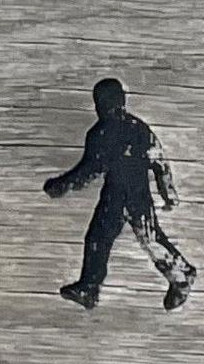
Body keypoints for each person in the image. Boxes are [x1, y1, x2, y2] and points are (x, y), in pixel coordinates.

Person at [47, 77, 193, 310]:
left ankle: (181, 276)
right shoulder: (138, 128)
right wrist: (168, 193)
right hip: (130, 195)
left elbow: (89, 171)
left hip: (123, 196)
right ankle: (90, 288)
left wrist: (61, 186)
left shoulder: (101, 133)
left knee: (116, 239)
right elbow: (159, 163)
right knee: (132, 238)